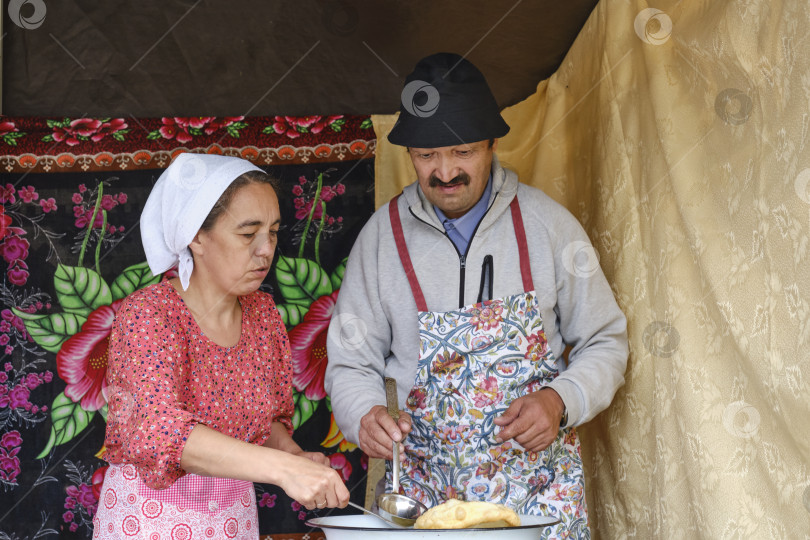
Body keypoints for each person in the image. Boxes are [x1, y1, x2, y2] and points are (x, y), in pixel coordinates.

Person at [325, 53, 628, 538]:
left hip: (536, 498)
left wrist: (559, 400)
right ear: (410, 155)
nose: (444, 172)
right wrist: (364, 413)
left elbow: (606, 341)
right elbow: (349, 362)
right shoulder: (381, 239)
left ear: (490, 144)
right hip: (421, 500)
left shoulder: (549, 226)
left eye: (461, 151)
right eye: (427, 156)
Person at [93, 154, 349, 540]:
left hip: (234, 519)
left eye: (274, 231)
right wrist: (282, 470)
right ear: (195, 236)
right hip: (150, 522)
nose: (266, 249)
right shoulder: (149, 315)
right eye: (248, 234)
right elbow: (159, 430)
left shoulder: (262, 313)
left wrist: (292, 456)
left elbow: (269, 423)